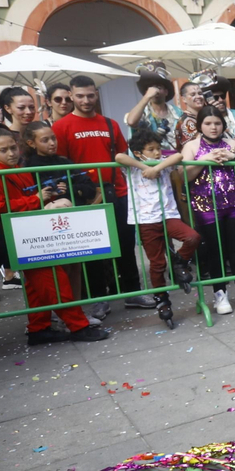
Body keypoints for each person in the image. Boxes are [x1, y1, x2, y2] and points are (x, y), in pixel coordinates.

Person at [0, 127, 110, 347]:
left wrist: (45, 196)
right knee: (54, 281)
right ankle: (78, 326)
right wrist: (37, 199)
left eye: (13, 148)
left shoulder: (16, 169)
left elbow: (26, 198)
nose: (11, 153)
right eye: (4, 150)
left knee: (37, 285)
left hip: (30, 231)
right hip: (23, 234)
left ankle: (38, 329)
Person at [53, 75, 154, 315]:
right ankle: (99, 298)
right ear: (71, 95)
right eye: (80, 96)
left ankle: (133, 292)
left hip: (116, 192)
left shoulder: (110, 124)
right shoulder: (61, 127)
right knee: (92, 249)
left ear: (96, 95)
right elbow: (60, 164)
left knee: (126, 245)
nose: (86, 100)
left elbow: (122, 155)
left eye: (90, 95)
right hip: (84, 196)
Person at [182, 108, 235, 315]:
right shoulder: (191, 146)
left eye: (217, 123)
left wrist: (233, 156)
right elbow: (184, 175)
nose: (213, 127)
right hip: (206, 207)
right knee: (215, 251)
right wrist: (205, 159)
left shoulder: (232, 143)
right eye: (208, 123)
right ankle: (219, 293)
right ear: (200, 125)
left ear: (223, 125)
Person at [125, 127, 199, 307]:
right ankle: (161, 297)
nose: (157, 152)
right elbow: (119, 157)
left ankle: (178, 263)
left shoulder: (164, 164)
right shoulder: (132, 168)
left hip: (168, 216)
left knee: (193, 237)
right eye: (151, 149)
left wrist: (157, 167)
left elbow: (178, 156)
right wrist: (145, 168)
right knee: (157, 263)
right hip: (146, 220)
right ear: (138, 153)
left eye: (158, 148)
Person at [124, 72, 181, 144]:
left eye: (159, 87)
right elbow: (131, 122)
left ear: (166, 92)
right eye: (151, 88)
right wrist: (146, 97)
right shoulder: (143, 112)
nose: (155, 91)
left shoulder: (177, 112)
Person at [174, 80, 206, 151]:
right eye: (193, 94)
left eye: (200, 93)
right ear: (184, 99)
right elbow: (198, 146)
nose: (198, 97)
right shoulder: (187, 121)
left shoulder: (203, 117)